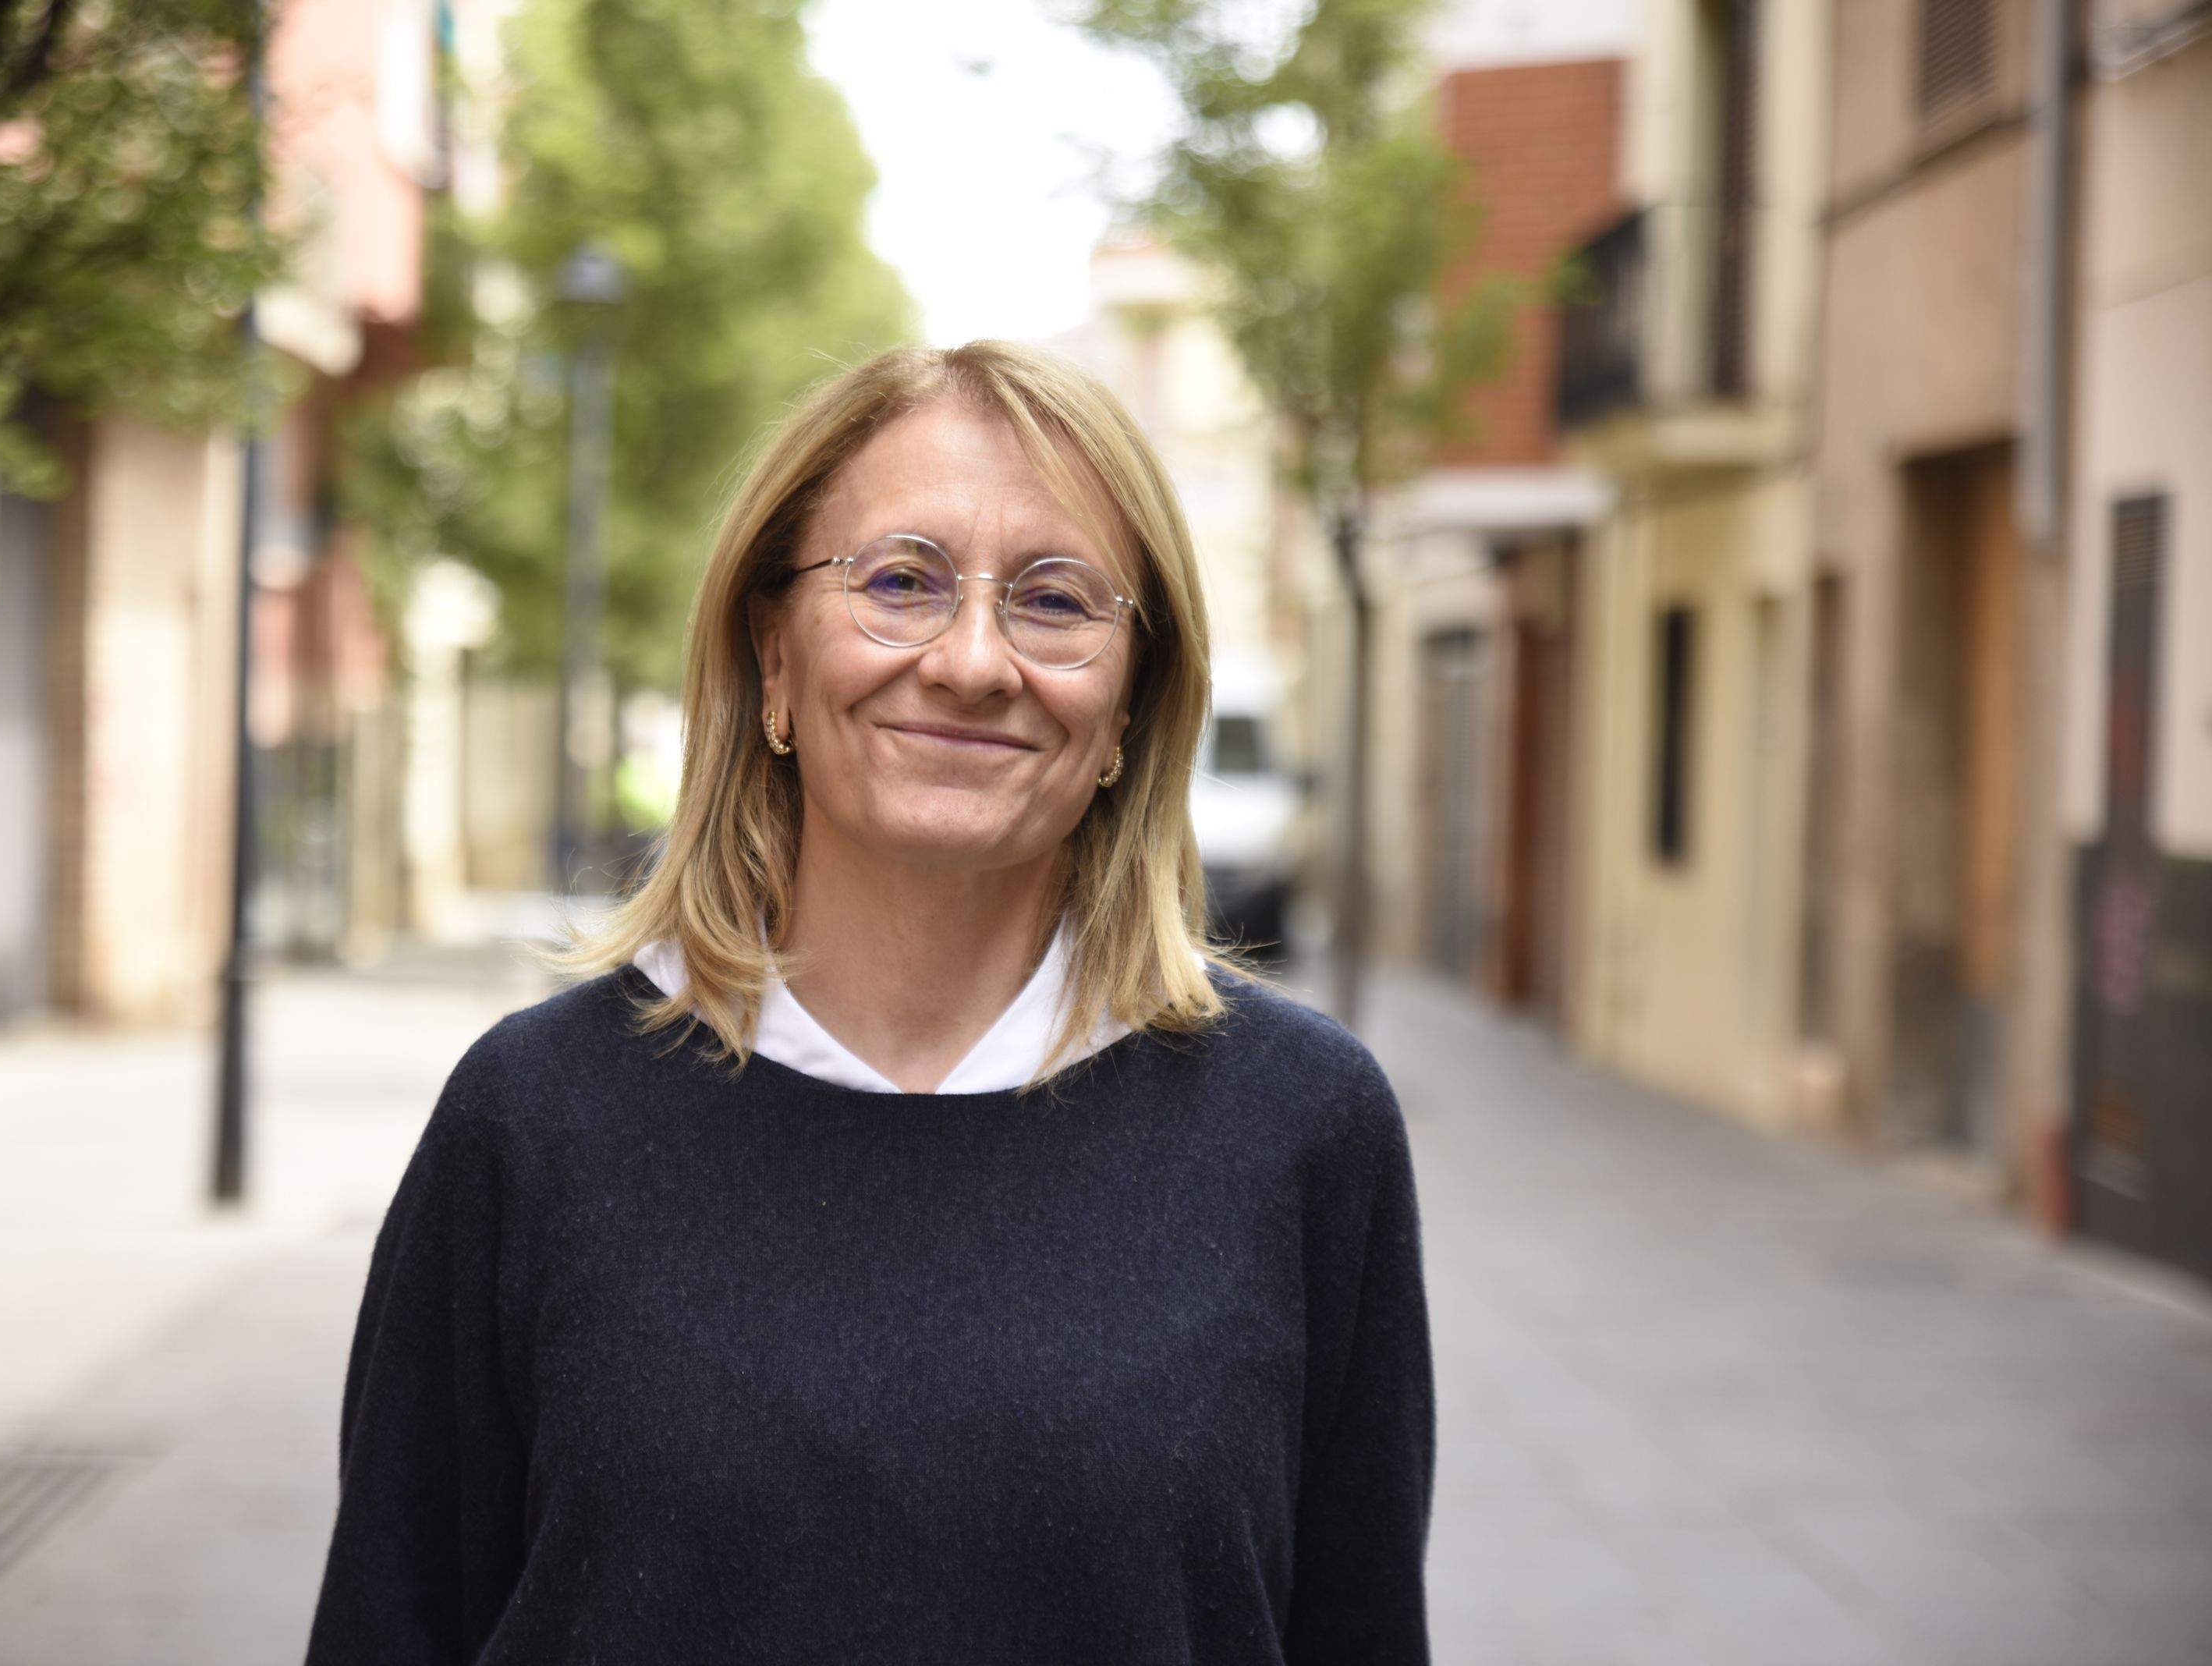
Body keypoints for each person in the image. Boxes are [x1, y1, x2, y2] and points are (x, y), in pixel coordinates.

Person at [300, 340, 1434, 1664]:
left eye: (1055, 601)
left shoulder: (1301, 1128)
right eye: (901, 582)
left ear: (1132, 704)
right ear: (772, 655)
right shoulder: (538, 1116)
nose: (973, 661)